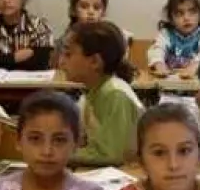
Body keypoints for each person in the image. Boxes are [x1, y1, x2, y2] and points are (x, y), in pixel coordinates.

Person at [61, 21, 142, 166]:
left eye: (68, 54)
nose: (61, 62)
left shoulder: (116, 95)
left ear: (94, 62)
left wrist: (60, 154)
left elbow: (111, 155)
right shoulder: (92, 92)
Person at [145, 0, 200, 78]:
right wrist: (159, 65)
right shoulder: (166, 33)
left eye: (192, 12)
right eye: (179, 14)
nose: (186, 18)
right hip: (170, 81)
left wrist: (194, 66)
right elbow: (157, 49)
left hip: (196, 82)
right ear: (171, 19)